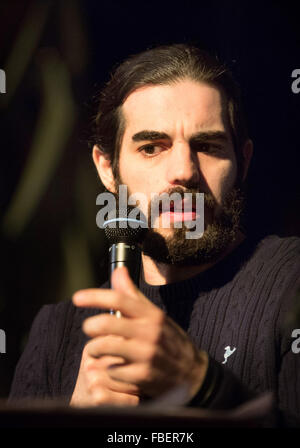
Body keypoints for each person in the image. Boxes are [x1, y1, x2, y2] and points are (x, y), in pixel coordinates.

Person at [9, 44, 300, 427]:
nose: (183, 170)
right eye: (151, 148)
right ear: (108, 169)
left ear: (243, 161)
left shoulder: (290, 284)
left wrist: (203, 384)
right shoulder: (56, 334)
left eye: (207, 146)